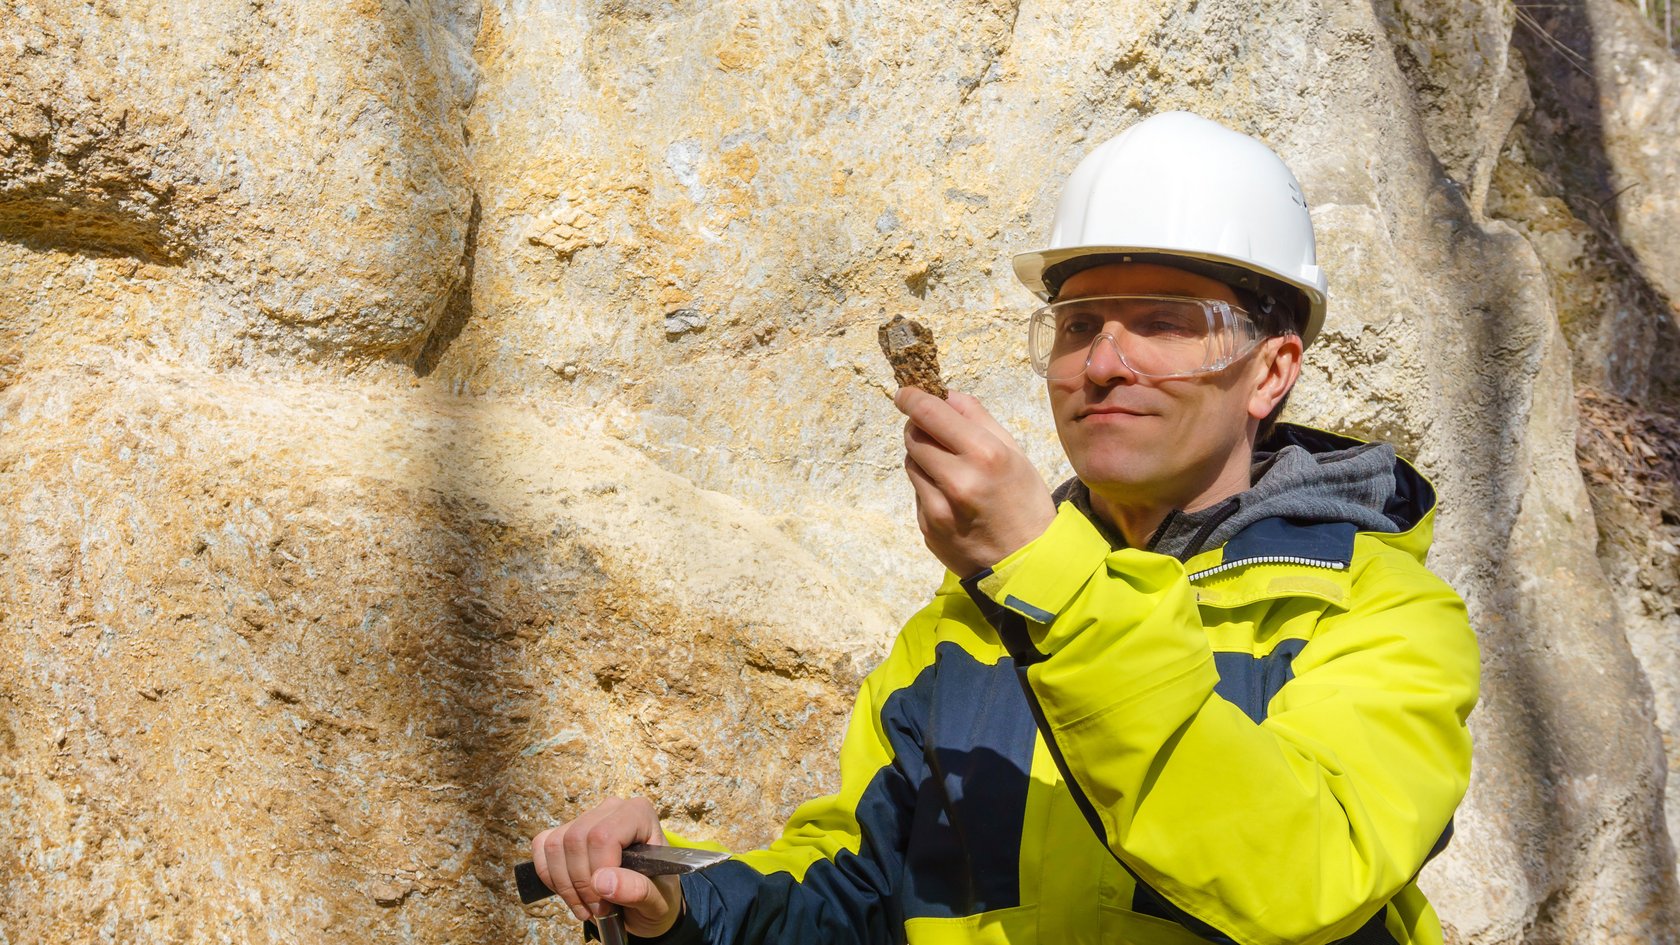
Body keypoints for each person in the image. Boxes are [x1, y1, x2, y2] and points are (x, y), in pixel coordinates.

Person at [529, 110, 1479, 945]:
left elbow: (1302, 875)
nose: (1105, 361)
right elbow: (858, 889)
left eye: (1163, 321)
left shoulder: (1382, 612)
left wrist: (1049, 579)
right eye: (1077, 324)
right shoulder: (965, 632)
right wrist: (681, 909)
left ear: (1271, 372)